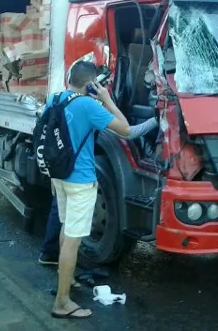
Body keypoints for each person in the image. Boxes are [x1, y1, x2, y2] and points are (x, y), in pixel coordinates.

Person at [46, 61, 158, 320]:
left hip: (60, 176)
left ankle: (67, 280)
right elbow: (128, 131)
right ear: (91, 85)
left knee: (66, 228)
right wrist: (108, 99)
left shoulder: (56, 99)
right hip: (81, 180)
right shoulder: (88, 106)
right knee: (74, 239)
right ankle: (62, 302)